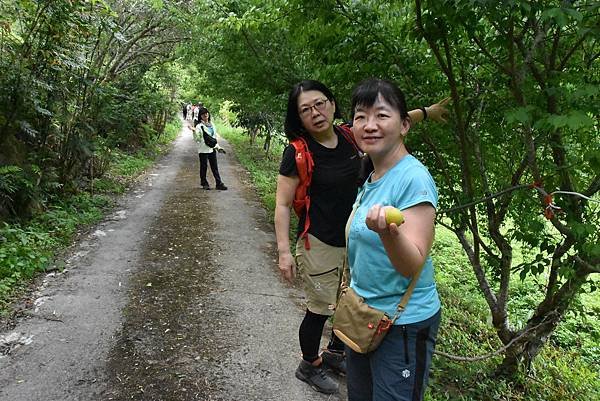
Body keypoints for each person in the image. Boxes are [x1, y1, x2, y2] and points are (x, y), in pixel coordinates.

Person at [274, 79, 448, 394]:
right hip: (327, 252)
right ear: (298, 118)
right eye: (305, 109)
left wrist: (427, 111)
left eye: (320, 103)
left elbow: (411, 265)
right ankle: (310, 363)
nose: (315, 112)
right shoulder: (307, 154)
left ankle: (334, 353)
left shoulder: (386, 163)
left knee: (340, 307)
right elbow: (283, 204)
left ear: (331, 103)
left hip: (397, 316)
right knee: (320, 309)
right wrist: (284, 251)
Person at [345, 78, 441, 401]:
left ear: (404, 125)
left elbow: (411, 262)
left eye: (381, 115)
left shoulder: (413, 179)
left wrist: (388, 232)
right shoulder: (371, 174)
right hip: (365, 315)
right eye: (361, 116)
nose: (369, 125)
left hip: (402, 324)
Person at [192, 107, 228, 190]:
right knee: (203, 167)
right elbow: (197, 139)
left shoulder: (212, 125)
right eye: (203, 114)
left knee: (214, 167)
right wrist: (194, 131)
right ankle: (204, 183)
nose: (206, 115)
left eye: (207, 113)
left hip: (212, 149)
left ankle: (219, 183)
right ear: (200, 116)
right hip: (203, 150)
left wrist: (218, 147)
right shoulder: (199, 126)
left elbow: (213, 138)